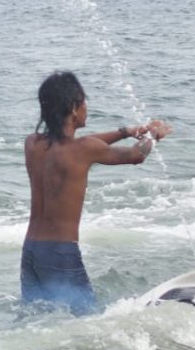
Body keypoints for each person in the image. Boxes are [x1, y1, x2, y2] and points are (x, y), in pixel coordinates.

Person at [23, 71, 171, 314]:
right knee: (86, 321)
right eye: (83, 102)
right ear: (73, 108)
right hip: (61, 253)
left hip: (31, 252)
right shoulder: (83, 150)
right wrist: (154, 135)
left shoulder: (32, 144)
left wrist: (126, 131)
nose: (86, 107)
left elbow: (85, 143)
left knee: (36, 318)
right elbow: (135, 155)